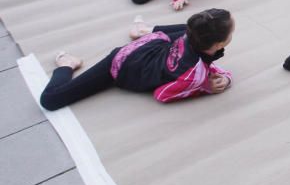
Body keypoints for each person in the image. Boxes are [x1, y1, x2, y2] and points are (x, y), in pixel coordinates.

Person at [38, 8, 235, 110]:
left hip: (150, 45)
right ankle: (67, 64)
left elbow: (206, 64)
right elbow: (162, 94)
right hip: (121, 65)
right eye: (231, 32)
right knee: (51, 99)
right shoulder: (195, 75)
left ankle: (144, 30)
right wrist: (204, 88)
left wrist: (223, 77)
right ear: (218, 44)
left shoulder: (192, 35)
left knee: (191, 29)